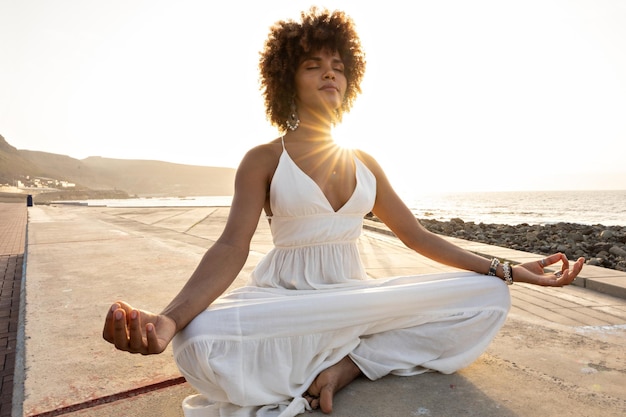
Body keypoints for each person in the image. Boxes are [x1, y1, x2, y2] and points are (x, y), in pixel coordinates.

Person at [103, 8, 585, 417]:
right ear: (288, 80)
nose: (329, 72)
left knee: (491, 298)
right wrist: (169, 319)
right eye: (313, 65)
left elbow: (417, 236)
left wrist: (509, 269)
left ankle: (350, 364)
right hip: (285, 301)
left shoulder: (366, 162)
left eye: (337, 65)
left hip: (354, 298)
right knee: (198, 342)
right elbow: (231, 247)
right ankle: (344, 355)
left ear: (350, 78)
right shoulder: (264, 158)